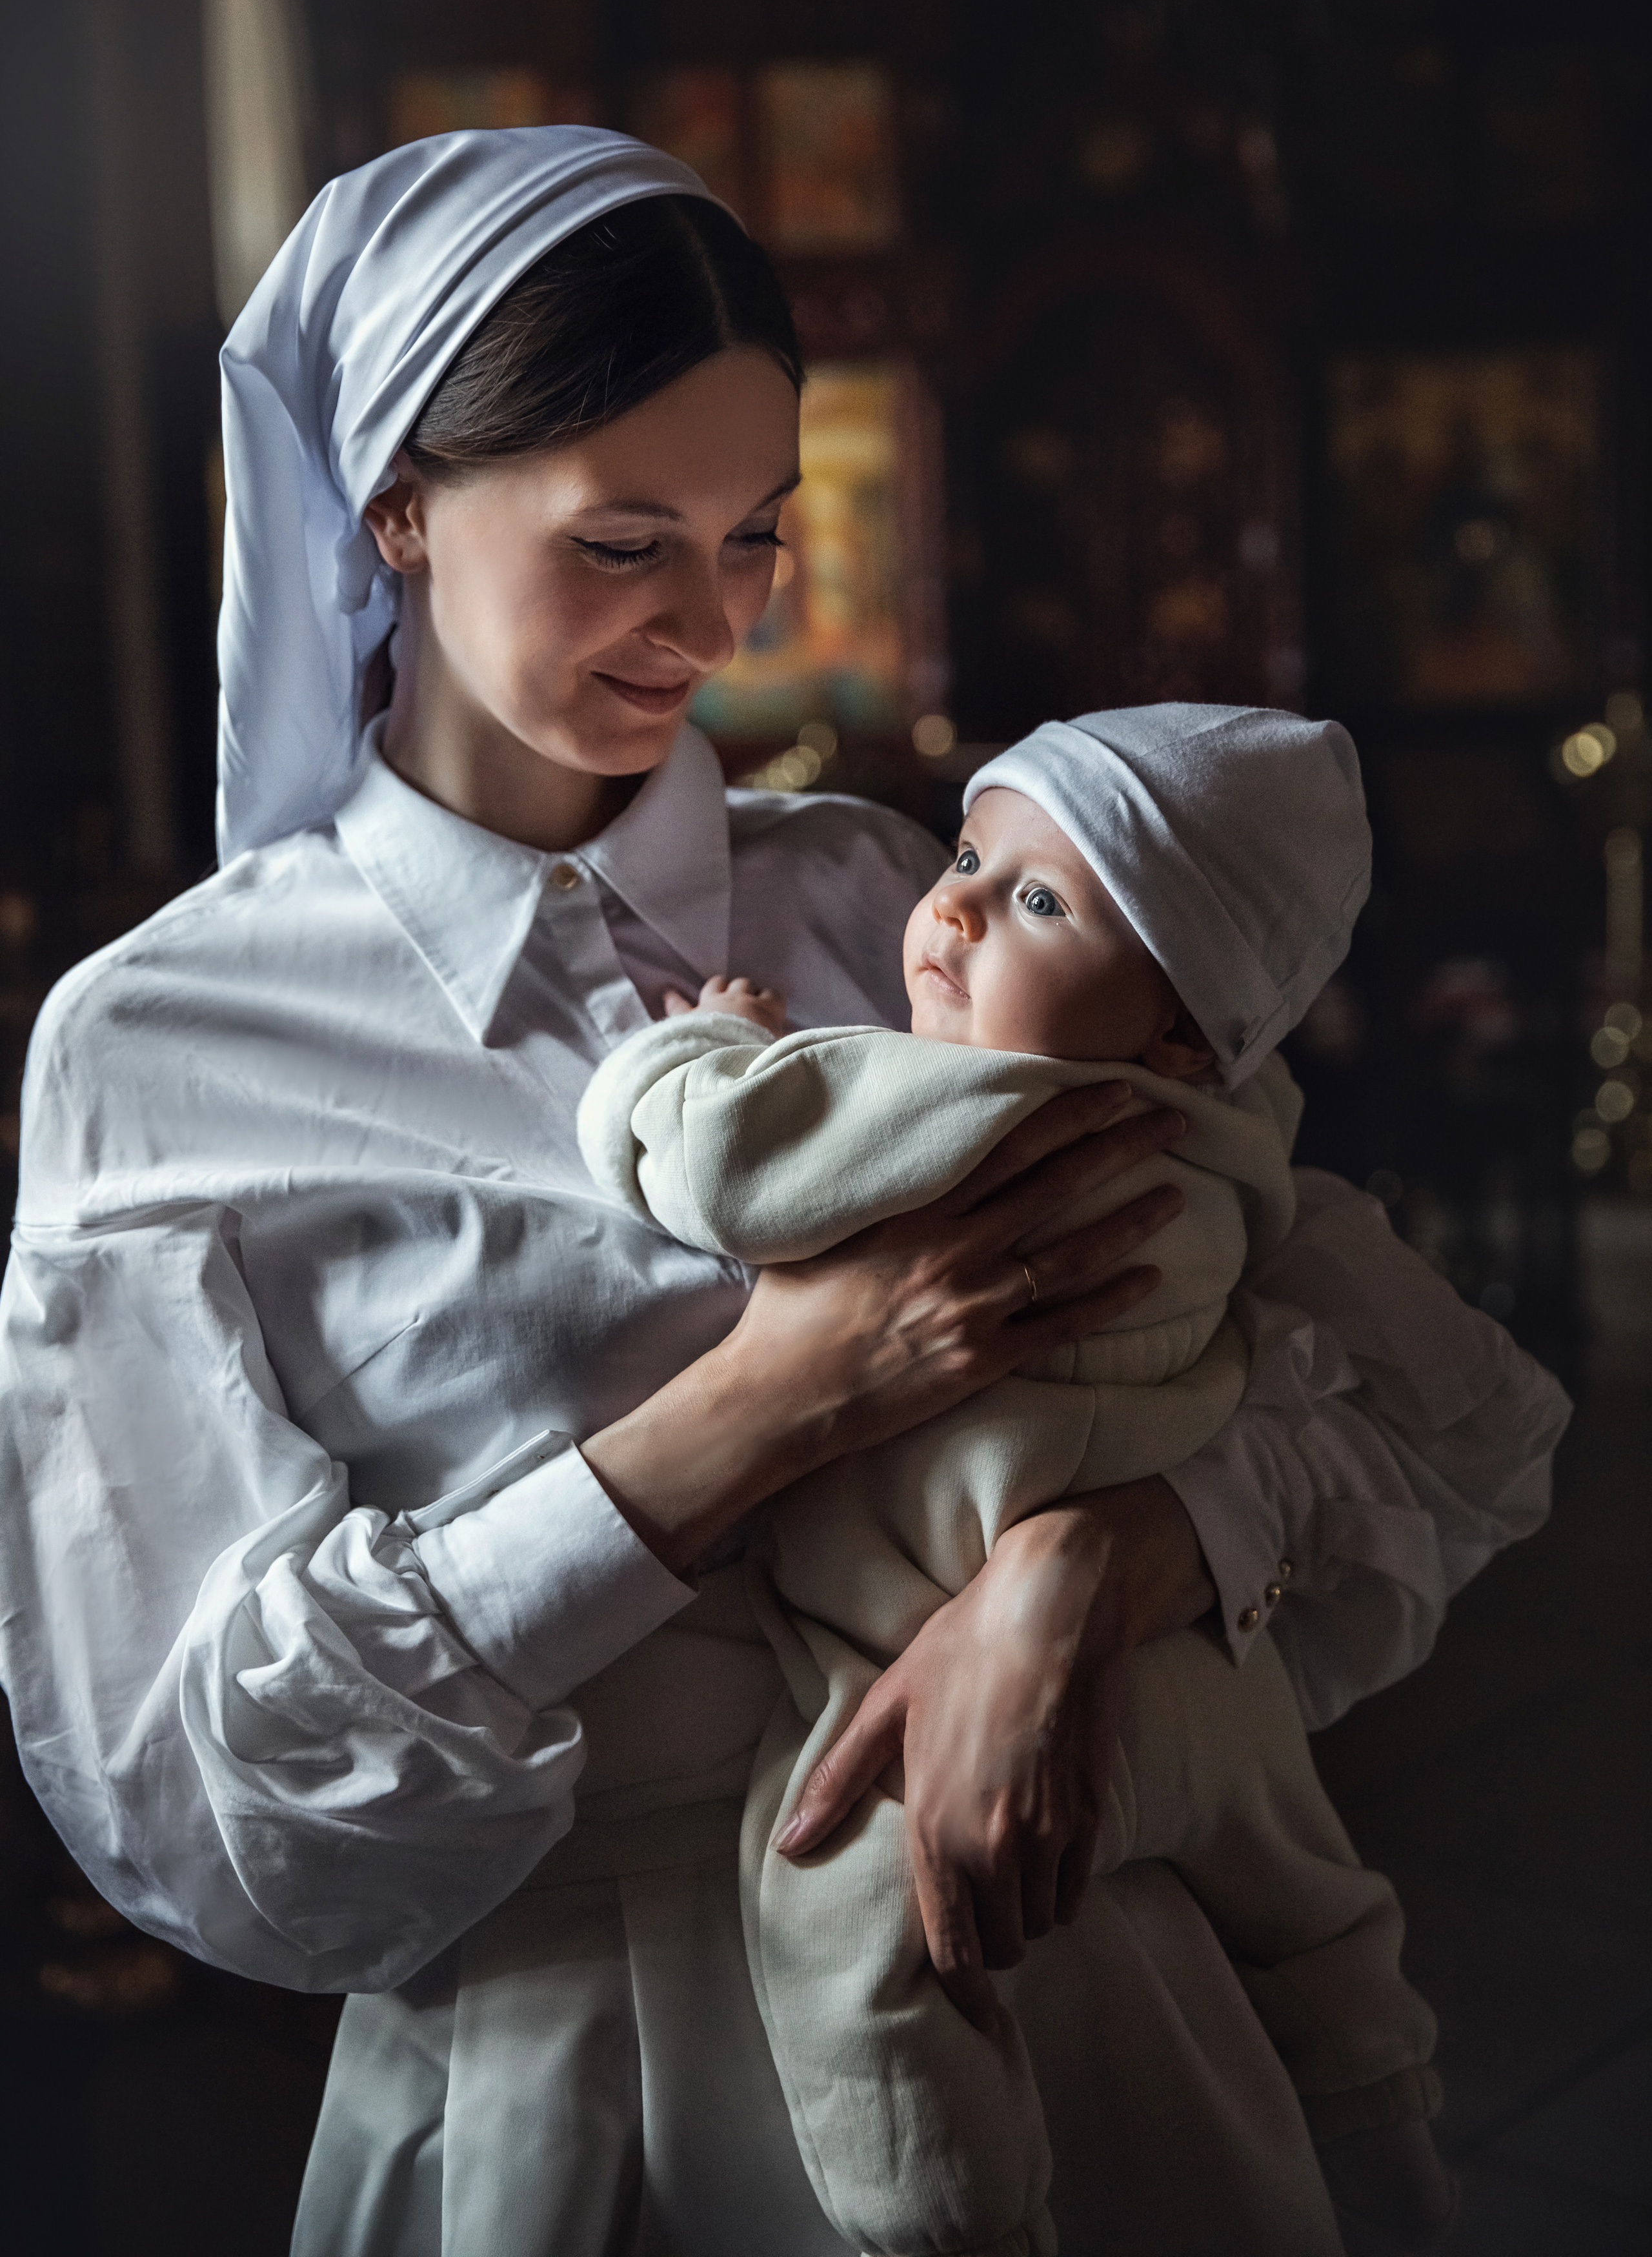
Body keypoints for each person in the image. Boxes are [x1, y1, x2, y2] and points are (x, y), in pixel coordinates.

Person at [0, 130, 1569, 2257]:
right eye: (625, 538)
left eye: (753, 532)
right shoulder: (170, 1041)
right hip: (565, 2101)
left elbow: (1396, 1393)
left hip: (1067, 2009)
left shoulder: (896, 913)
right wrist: (779, 1401)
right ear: (395, 510)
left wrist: (1105, 1562)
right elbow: (203, 1792)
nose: (714, 622)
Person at [578, 703, 1449, 2257]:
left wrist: (703, 1042)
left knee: (851, 1920)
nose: (958, 904)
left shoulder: (956, 1106)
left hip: (932, 1672)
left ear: (1183, 1021)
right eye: (973, 855)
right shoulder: (1227, 1141)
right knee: (1311, 1908)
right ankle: (1383, 2130)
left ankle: (945, 2219)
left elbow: (715, 1166)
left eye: (1039, 900)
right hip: (1183, 1664)